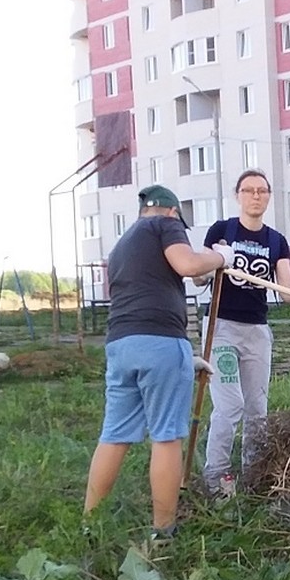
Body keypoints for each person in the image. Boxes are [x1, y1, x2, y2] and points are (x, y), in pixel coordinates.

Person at [84, 185, 228, 538]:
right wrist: (219, 256)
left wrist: (185, 361)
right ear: (172, 212)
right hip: (162, 342)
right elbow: (188, 264)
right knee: (166, 437)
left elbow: (144, 294)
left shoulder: (121, 247)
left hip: (121, 346)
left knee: (114, 435)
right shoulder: (164, 225)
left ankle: (90, 524)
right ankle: (164, 531)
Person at [194, 169, 290, 498]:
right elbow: (198, 280)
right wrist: (217, 259)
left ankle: (254, 474)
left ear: (268, 196)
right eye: (248, 190)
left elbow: (285, 291)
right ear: (238, 195)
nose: (255, 196)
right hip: (221, 328)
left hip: (257, 333)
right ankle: (215, 477)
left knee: (257, 409)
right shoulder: (221, 231)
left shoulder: (276, 241)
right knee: (229, 403)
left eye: (261, 191)